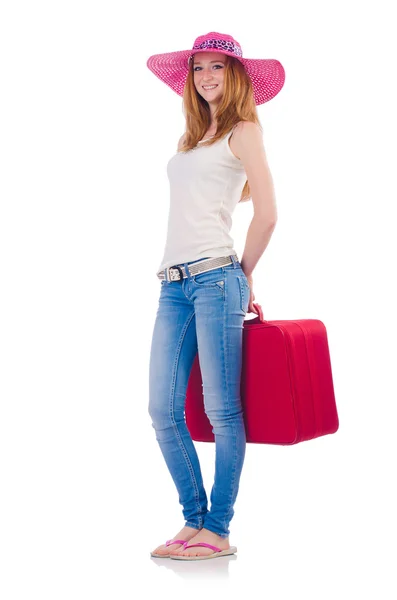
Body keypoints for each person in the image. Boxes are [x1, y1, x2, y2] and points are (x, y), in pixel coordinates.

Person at [146, 32, 285, 561]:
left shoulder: (244, 131)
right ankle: (193, 520)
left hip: (217, 279)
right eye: (198, 67)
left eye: (218, 68)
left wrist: (243, 277)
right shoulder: (191, 139)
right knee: (163, 409)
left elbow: (268, 213)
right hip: (173, 285)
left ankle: (218, 529)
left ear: (236, 76)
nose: (206, 76)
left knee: (222, 409)